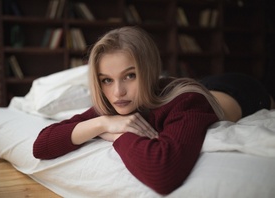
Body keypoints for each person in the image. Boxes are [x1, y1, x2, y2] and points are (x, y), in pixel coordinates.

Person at [33, 26, 275, 195]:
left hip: (242, 91)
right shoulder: (112, 106)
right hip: (205, 82)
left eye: (130, 76)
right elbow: (41, 145)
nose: (118, 92)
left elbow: (163, 173)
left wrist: (119, 135)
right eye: (106, 80)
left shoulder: (187, 101)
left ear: (148, 71)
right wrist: (103, 125)